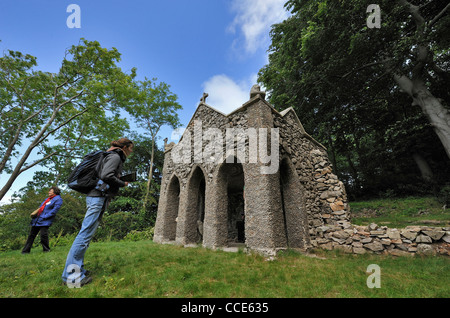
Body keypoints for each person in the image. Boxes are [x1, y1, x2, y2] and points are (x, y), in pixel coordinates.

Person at [61, 138, 134, 287]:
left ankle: (78, 269)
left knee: (86, 236)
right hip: (97, 199)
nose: (131, 152)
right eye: (131, 148)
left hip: (96, 198)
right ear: (125, 147)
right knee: (84, 236)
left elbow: (105, 175)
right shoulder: (115, 156)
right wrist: (123, 183)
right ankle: (71, 277)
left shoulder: (107, 155)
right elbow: (107, 176)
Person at [22, 186, 63, 254]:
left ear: (55, 192)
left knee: (43, 235)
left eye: (50, 191)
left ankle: (46, 250)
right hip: (38, 219)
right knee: (31, 235)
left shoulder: (58, 199)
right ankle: (25, 251)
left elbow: (55, 210)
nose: (49, 192)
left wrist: (45, 216)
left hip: (45, 220)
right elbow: (41, 208)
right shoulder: (48, 199)